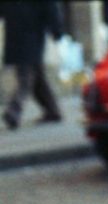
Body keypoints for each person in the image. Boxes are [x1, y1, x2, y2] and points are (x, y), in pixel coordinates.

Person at [2, 1, 65, 129]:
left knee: (28, 76)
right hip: (31, 34)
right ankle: (52, 110)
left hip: (19, 33)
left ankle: (14, 110)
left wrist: (56, 30)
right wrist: (56, 30)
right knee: (32, 74)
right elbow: (51, 8)